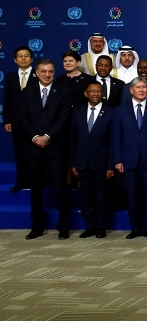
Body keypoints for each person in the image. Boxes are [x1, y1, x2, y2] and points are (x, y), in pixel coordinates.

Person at [20, 59, 72, 239]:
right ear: (36, 73)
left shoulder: (63, 91)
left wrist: (47, 137)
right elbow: (23, 120)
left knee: (60, 188)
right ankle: (37, 226)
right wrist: (35, 137)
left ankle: (64, 226)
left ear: (54, 72)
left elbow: (64, 119)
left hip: (55, 146)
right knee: (35, 188)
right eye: (43, 71)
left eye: (50, 71)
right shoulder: (27, 92)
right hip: (33, 148)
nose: (47, 75)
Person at [112, 78, 147, 240]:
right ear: (131, 90)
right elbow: (116, 137)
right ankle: (136, 228)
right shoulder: (120, 110)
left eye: (144, 87)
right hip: (128, 160)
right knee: (132, 197)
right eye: (138, 87)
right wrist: (117, 160)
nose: (142, 90)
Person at [70, 82, 115, 238]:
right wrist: (73, 162)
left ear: (102, 94)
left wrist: (110, 165)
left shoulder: (111, 112)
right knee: (86, 196)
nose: (96, 94)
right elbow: (73, 139)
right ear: (86, 93)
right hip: (82, 162)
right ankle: (89, 226)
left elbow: (113, 141)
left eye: (98, 91)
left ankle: (101, 226)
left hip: (102, 163)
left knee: (101, 196)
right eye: (92, 91)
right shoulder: (77, 112)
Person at [4, 46, 36, 193]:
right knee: (19, 153)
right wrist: (6, 120)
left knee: (35, 154)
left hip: (34, 124)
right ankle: (21, 182)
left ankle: (36, 181)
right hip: (16, 123)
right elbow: (7, 101)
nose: (23, 58)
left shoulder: (39, 75)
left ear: (32, 59)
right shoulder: (10, 77)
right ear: (15, 60)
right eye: (20, 56)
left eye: (26, 56)